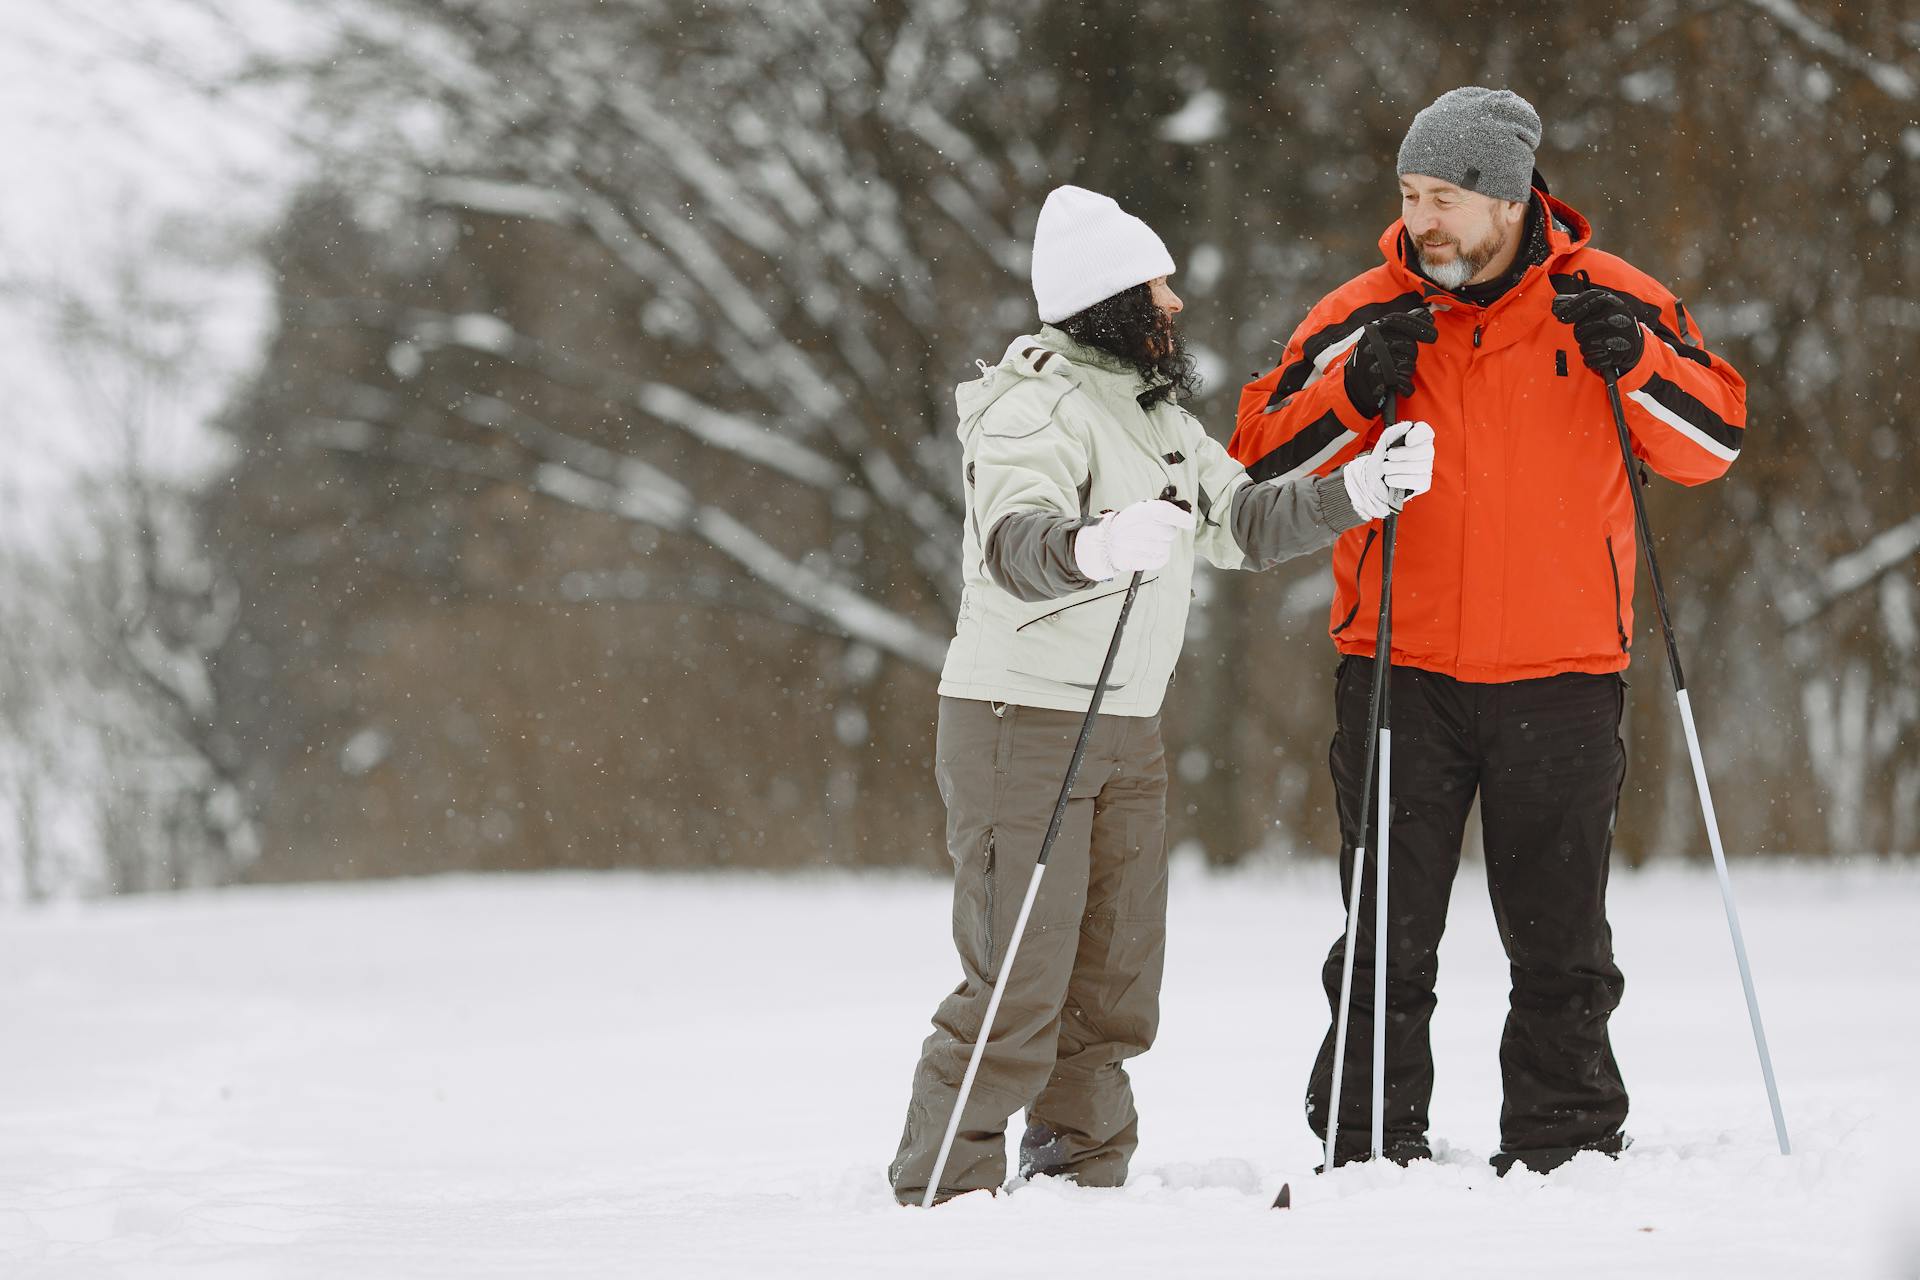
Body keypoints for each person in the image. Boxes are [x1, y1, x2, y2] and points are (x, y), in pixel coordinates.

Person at [1228, 87, 1747, 1175]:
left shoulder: (1613, 301)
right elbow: (1257, 463)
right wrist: (1356, 395)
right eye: (1411, 196)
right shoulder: (1360, 315)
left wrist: (1639, 364)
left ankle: (1563, 1141)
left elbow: (1716, 441)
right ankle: (1369, 1139)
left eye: (1447, 198)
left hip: (1563, 677)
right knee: (1385, 935)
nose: (1425, 221)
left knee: (1561, 941)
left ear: (1509, 199)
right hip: (1398, 675)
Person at [888, 185, 1435, 1205]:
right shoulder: (1031, 404)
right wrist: (1092, 545)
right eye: (1158, 285)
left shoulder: (1158, 417)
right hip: (1021, 721)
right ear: (1108, 298)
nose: (1176, 302)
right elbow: (1015, 543)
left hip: (1125, 725)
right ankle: (943, 1189)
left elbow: (1244, 522)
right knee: (1019, 971)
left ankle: (1079, 1171)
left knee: (1112, 978)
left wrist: (1362, 488)